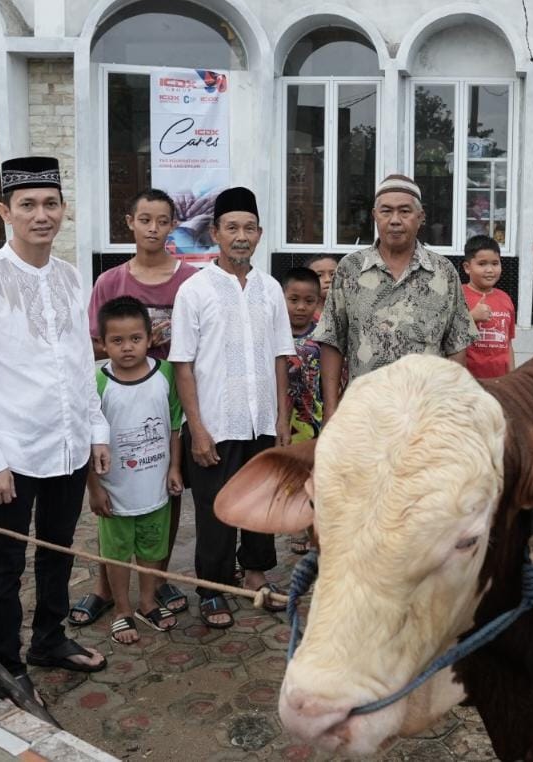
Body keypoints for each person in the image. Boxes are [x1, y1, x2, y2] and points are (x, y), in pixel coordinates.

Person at [0, 156, 108, 702]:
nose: (42, 215)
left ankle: (49, 639)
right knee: (6, 561)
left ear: (63, 209)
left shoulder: (67, 276)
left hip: (67, 443)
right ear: (5, 212)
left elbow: (82, 362)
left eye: (51, 204)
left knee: (59, 548)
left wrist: (96, 429)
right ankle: (5, 661)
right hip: (12, 451)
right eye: (28, 205)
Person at [169, 187, 294, 628]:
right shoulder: (194, 290)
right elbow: (182, 366)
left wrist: (282, 417)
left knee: (262, 503)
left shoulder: (271, 289)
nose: (241, 236)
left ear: (259, 234)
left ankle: (257, 572)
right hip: (215, 424)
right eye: (232, 228)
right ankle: (214, 588)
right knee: (216, 507)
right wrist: (197, 430)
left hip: (261, 418)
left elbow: (281, 356)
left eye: (249, 228)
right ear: (216, 234)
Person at [73, 188, 196, 626]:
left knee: (164, 495)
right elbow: (91, 343)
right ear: (130, 222)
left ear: (173, 225)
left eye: (162, 221)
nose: (153, 229)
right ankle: (105, 588)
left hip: (167, 394)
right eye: (145, 219)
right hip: (120, 401)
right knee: (114, 501)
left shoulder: (189, 281)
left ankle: (155, 582)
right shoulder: (110, 282)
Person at [314, 174, 477, 418]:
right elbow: (332, 341)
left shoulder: (443, 273)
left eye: (405, 211)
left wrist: (452, 409)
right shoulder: (350, 269)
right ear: (374, 216)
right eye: (386, 211)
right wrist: (330, 410)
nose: (395, 220)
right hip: (364, 413)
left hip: (426, 413)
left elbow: (456, 346)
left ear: (420, 217)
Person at [89, 296, 183, 645]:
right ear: (102, 342)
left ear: (149, 338)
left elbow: (174, 425)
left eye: (135, 339)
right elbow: (88, 437)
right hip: (114, 492)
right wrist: (94, 488)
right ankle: (122, 610)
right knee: (115, 553)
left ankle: (146, 602)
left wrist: (174, 467)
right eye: (117, 340)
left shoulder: (166, 374)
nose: (127, 348)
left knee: (152, 548)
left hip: (155, 487)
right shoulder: (96, 379)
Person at [281, 266, 324, 555]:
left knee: (315, 476)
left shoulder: (322, 336)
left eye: (308, 301)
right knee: (291, 476)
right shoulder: (274, 335)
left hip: (314, 416)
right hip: (286, 418)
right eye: (293, 299)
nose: (300, 307)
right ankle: (296, 526)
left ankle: (314, 528)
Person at [461, 234, 516, 379]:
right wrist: (471, 317)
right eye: (482, 264)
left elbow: (508, 344)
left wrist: (512, 377)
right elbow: (444, 335)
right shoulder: (457, 296)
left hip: (500, 381)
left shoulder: (505, 299)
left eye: (495, 263)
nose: (490, 270)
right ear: (467, 267)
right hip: (468, 382)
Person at [304, 254, 338, 319]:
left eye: (333, 274)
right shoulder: (302, 316)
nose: (328, 279)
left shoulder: (350, 312)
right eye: (319, 275)